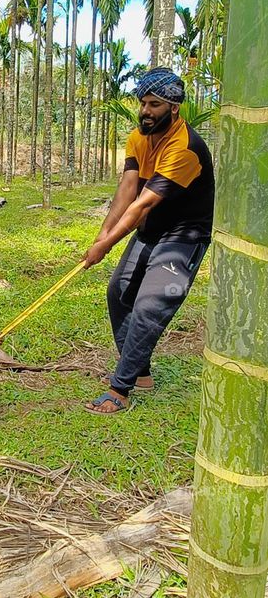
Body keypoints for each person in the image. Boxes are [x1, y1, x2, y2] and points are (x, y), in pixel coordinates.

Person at [82, 67, 214, 413]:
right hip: (150, 231)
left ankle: (119, 390)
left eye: (154, 104)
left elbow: (143, 204)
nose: (145, 111)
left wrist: (107, 245)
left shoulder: (185, 149)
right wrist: (100, 236)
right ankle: (139, 371)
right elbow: (127, 190)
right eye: (142, 103)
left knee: (150, 306)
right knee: (118, 294)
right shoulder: (138, 138)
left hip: (184, 236)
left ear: (174, 107)